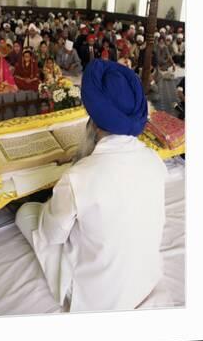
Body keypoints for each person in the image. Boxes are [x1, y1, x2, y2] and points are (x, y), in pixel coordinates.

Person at [15, 60, 167, 312]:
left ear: (94, 124)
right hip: (146, 279)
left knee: (26, 214)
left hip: (99, 297)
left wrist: (55, 205)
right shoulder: (154, 160)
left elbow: (52, 235)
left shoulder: (79, 177)